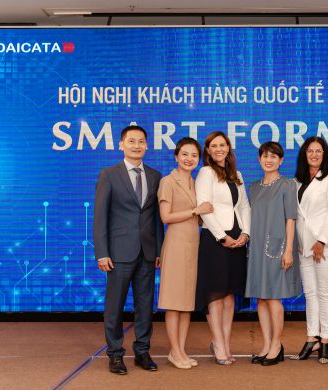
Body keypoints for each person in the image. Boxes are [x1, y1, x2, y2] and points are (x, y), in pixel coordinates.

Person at [93, 125, 163, 375]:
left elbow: (155, 217)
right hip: (118, 252)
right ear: (121, 145)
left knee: (145, 305)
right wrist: (102, 252)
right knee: (115, 306)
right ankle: (115, 354)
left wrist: (159, 249)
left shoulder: (155, 176)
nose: (137, 145)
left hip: (147, 252)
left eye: (141, 141)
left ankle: (142, 351)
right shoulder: (109, 174)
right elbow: (100, 217)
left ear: (147, 145)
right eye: (131, 141)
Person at [195, 131, 251, 365]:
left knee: (229, 295)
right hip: (215, 241)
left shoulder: (236, 174)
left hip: (238, 241)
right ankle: (218, 343)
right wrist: (222, 237)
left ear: (228, 147)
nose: (219, 149)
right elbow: (204, 207)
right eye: (214, 146)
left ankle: (225, 343)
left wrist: (246, 233)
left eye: (223, 145)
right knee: (215, 294)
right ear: (208, 151)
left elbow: (244, 206)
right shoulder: (206, 173)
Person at [157, 138, 213, 370]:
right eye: (185, 154)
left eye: (194, 155)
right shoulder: (167, 181)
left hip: (193, 246)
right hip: (176, 245)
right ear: (176, 156)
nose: (189, 159)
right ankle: (175, 350)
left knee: (186, 302)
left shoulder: (195, 182)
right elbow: (165, 217)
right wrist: (194, 211)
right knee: (173, 302)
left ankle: (178, 350)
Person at [245, 141, 301, 366]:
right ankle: (267, 345)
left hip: (278, 247)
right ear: (259, 159)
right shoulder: (253, 187)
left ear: (281, 160)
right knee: (261, 298)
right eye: (265, 156)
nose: (269, 160)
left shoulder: (287, 185)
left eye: (274, 156)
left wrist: (289, 250)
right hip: (256, 247)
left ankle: (277, 345)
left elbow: (291, 219)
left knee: (273, 297)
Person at [292, 136, 328, 364]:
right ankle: (311, 337)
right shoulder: (297, 181)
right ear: (304, 155)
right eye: (309, 151)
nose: (314, 155)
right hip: (303, 246)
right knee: (310, 294)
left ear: (325, 155)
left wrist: (321, 241)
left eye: (318, 151)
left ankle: (325, 341)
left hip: (324, 246)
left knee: (324, 292)